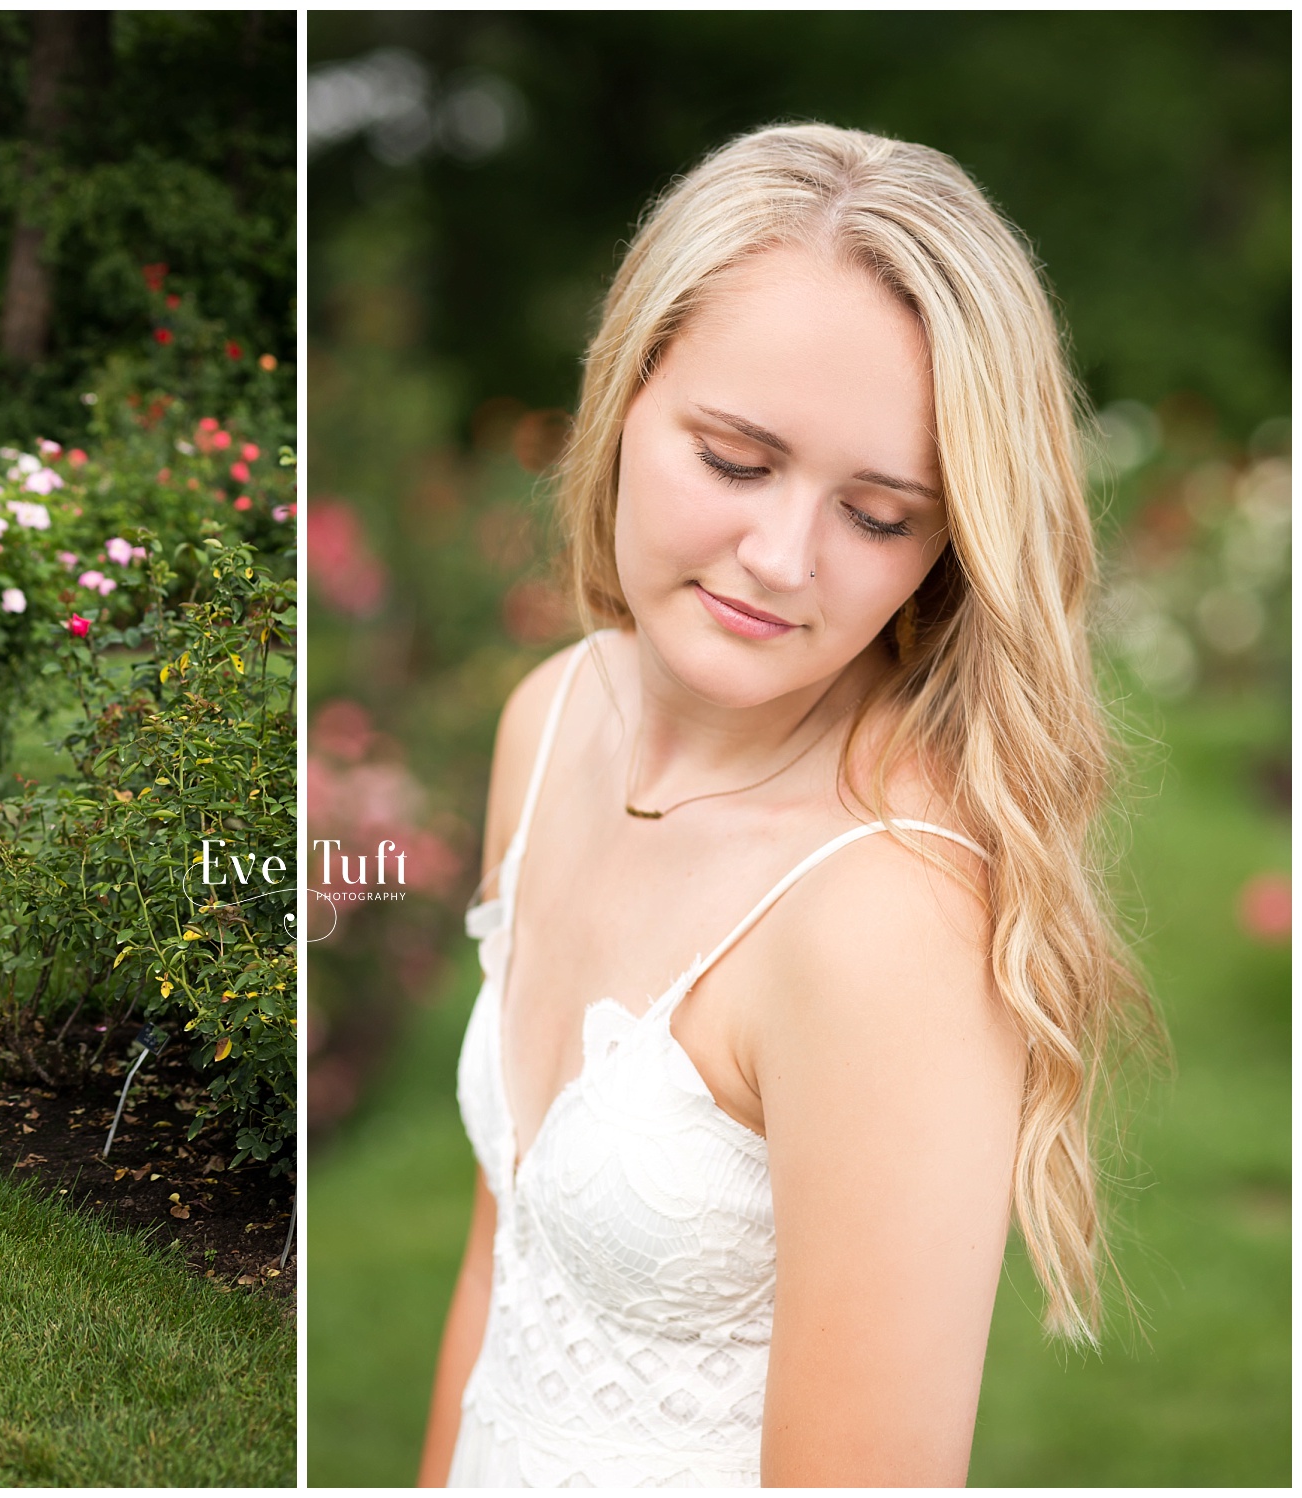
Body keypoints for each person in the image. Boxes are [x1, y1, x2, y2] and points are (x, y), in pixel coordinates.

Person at [419, 125, 1153, 1486]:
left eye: (879, 515)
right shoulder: (555, 714)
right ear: (625, 392)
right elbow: (500, 1262)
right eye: (738, 460)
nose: (781, 556)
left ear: (948, 547)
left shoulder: (885, 915)